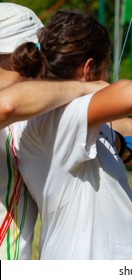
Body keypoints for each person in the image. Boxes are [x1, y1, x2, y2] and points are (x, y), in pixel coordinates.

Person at [10, 9, 132, 259]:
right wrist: (90, 87)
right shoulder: (57, 118)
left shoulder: (76, 122)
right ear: (89, 68)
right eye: (107, 68)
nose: (108, 77)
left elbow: (118, 146)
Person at [0, 3, 110, 260]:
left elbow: (82, 124)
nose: (38, 60)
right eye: (30, 52)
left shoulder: (24, 116)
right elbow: (6, 106)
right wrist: (84, 87)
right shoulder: (10, 108)